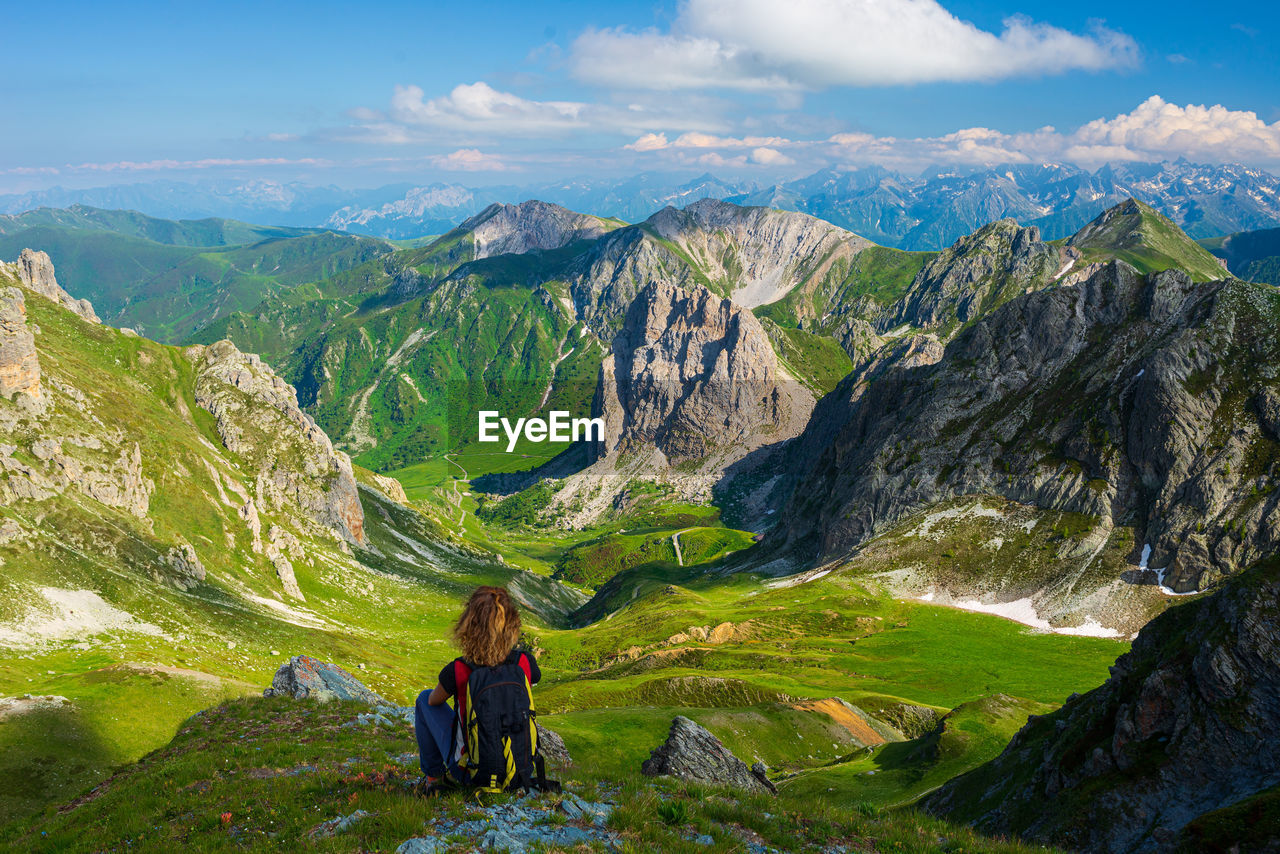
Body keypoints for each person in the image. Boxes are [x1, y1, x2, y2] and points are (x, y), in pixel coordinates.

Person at [414, 585, 541, 793]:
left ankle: (433, 779)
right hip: (520, 770)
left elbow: (433, 702)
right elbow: (534, 681)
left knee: (423, 698)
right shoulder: (524, 663)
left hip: (471, 773)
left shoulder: (458, 669)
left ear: (469, 625)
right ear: (512, 625)